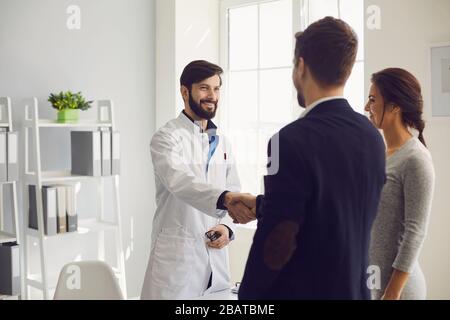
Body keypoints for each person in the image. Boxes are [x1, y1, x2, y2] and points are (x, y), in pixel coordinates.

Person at [231, 17, 386, 299]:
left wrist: (247, 296)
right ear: (347, 70)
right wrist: (262, 204)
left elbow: (278, 240)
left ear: (301, 66)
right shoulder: (372, 138)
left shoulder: (287, 141)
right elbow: (333, 210)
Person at [140, 60, 255, 300]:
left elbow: (233, 188)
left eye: (216, 88)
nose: (212, 95)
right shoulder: (166, 138)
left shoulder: (222, 142)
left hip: (215, 264)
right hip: (177, 264)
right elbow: (180, 182)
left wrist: (227, 227)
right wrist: (226, 198)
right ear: (184, 91)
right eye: (204, 88)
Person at [365, 68, 435, 300]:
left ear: (395, 106)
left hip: (399, 292)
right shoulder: (381, 154)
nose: (367, 107)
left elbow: (415, 232)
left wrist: (391, 294)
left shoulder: (416, 158)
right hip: (374, 285)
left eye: (373, 100)